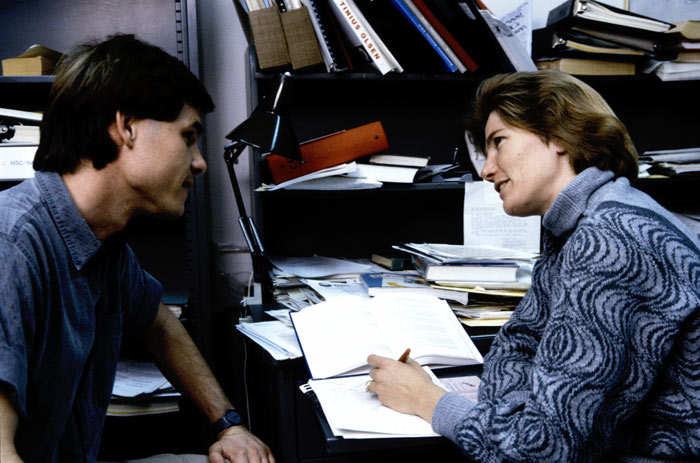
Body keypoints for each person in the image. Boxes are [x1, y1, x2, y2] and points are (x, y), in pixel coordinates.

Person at [366, 71, 700, 462]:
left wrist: (428, 400)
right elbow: (518, 344)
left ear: (558, 135)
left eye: (499, 143)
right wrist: (520, 415)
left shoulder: (607, 239)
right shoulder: (579, 222)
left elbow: (543, 452)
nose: (486, 170)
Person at [0, 34, 274, 463]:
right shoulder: (11, 245)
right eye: (188, 136)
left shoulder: (104, 244)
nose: (199, 162)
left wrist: (229, 424)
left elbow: (157, 321)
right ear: (126, 127)